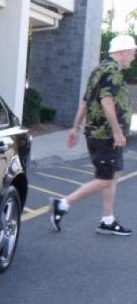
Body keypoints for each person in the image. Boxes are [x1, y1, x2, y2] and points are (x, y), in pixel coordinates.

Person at [50, 33, 135, 236]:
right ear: (122, 52)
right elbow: (106, 101)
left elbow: (85, 101)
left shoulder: (99, 69)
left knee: (113, 175)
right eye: (132, 52)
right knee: (106, 178)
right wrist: (117, 132)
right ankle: (62, 204)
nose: (133, 56)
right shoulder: (112, 71)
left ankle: (107, 220)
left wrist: (76, 128)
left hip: (99, 134)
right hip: (105, 136)